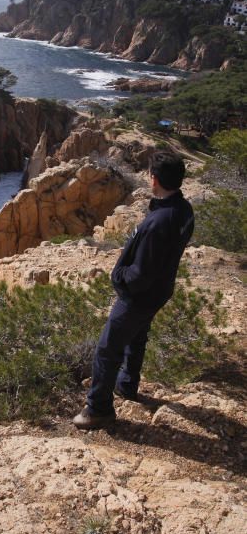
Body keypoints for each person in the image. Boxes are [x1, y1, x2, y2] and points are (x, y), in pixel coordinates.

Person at [73, 150, 194, 430]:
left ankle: (98, 409)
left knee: (107, 348)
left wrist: (119, 275)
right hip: (160, 290)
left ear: (154, 179)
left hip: (139, 296)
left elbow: (139, 275)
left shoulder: (158, 222)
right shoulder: (183, 210)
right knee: (137, 337)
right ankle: (127, 385)